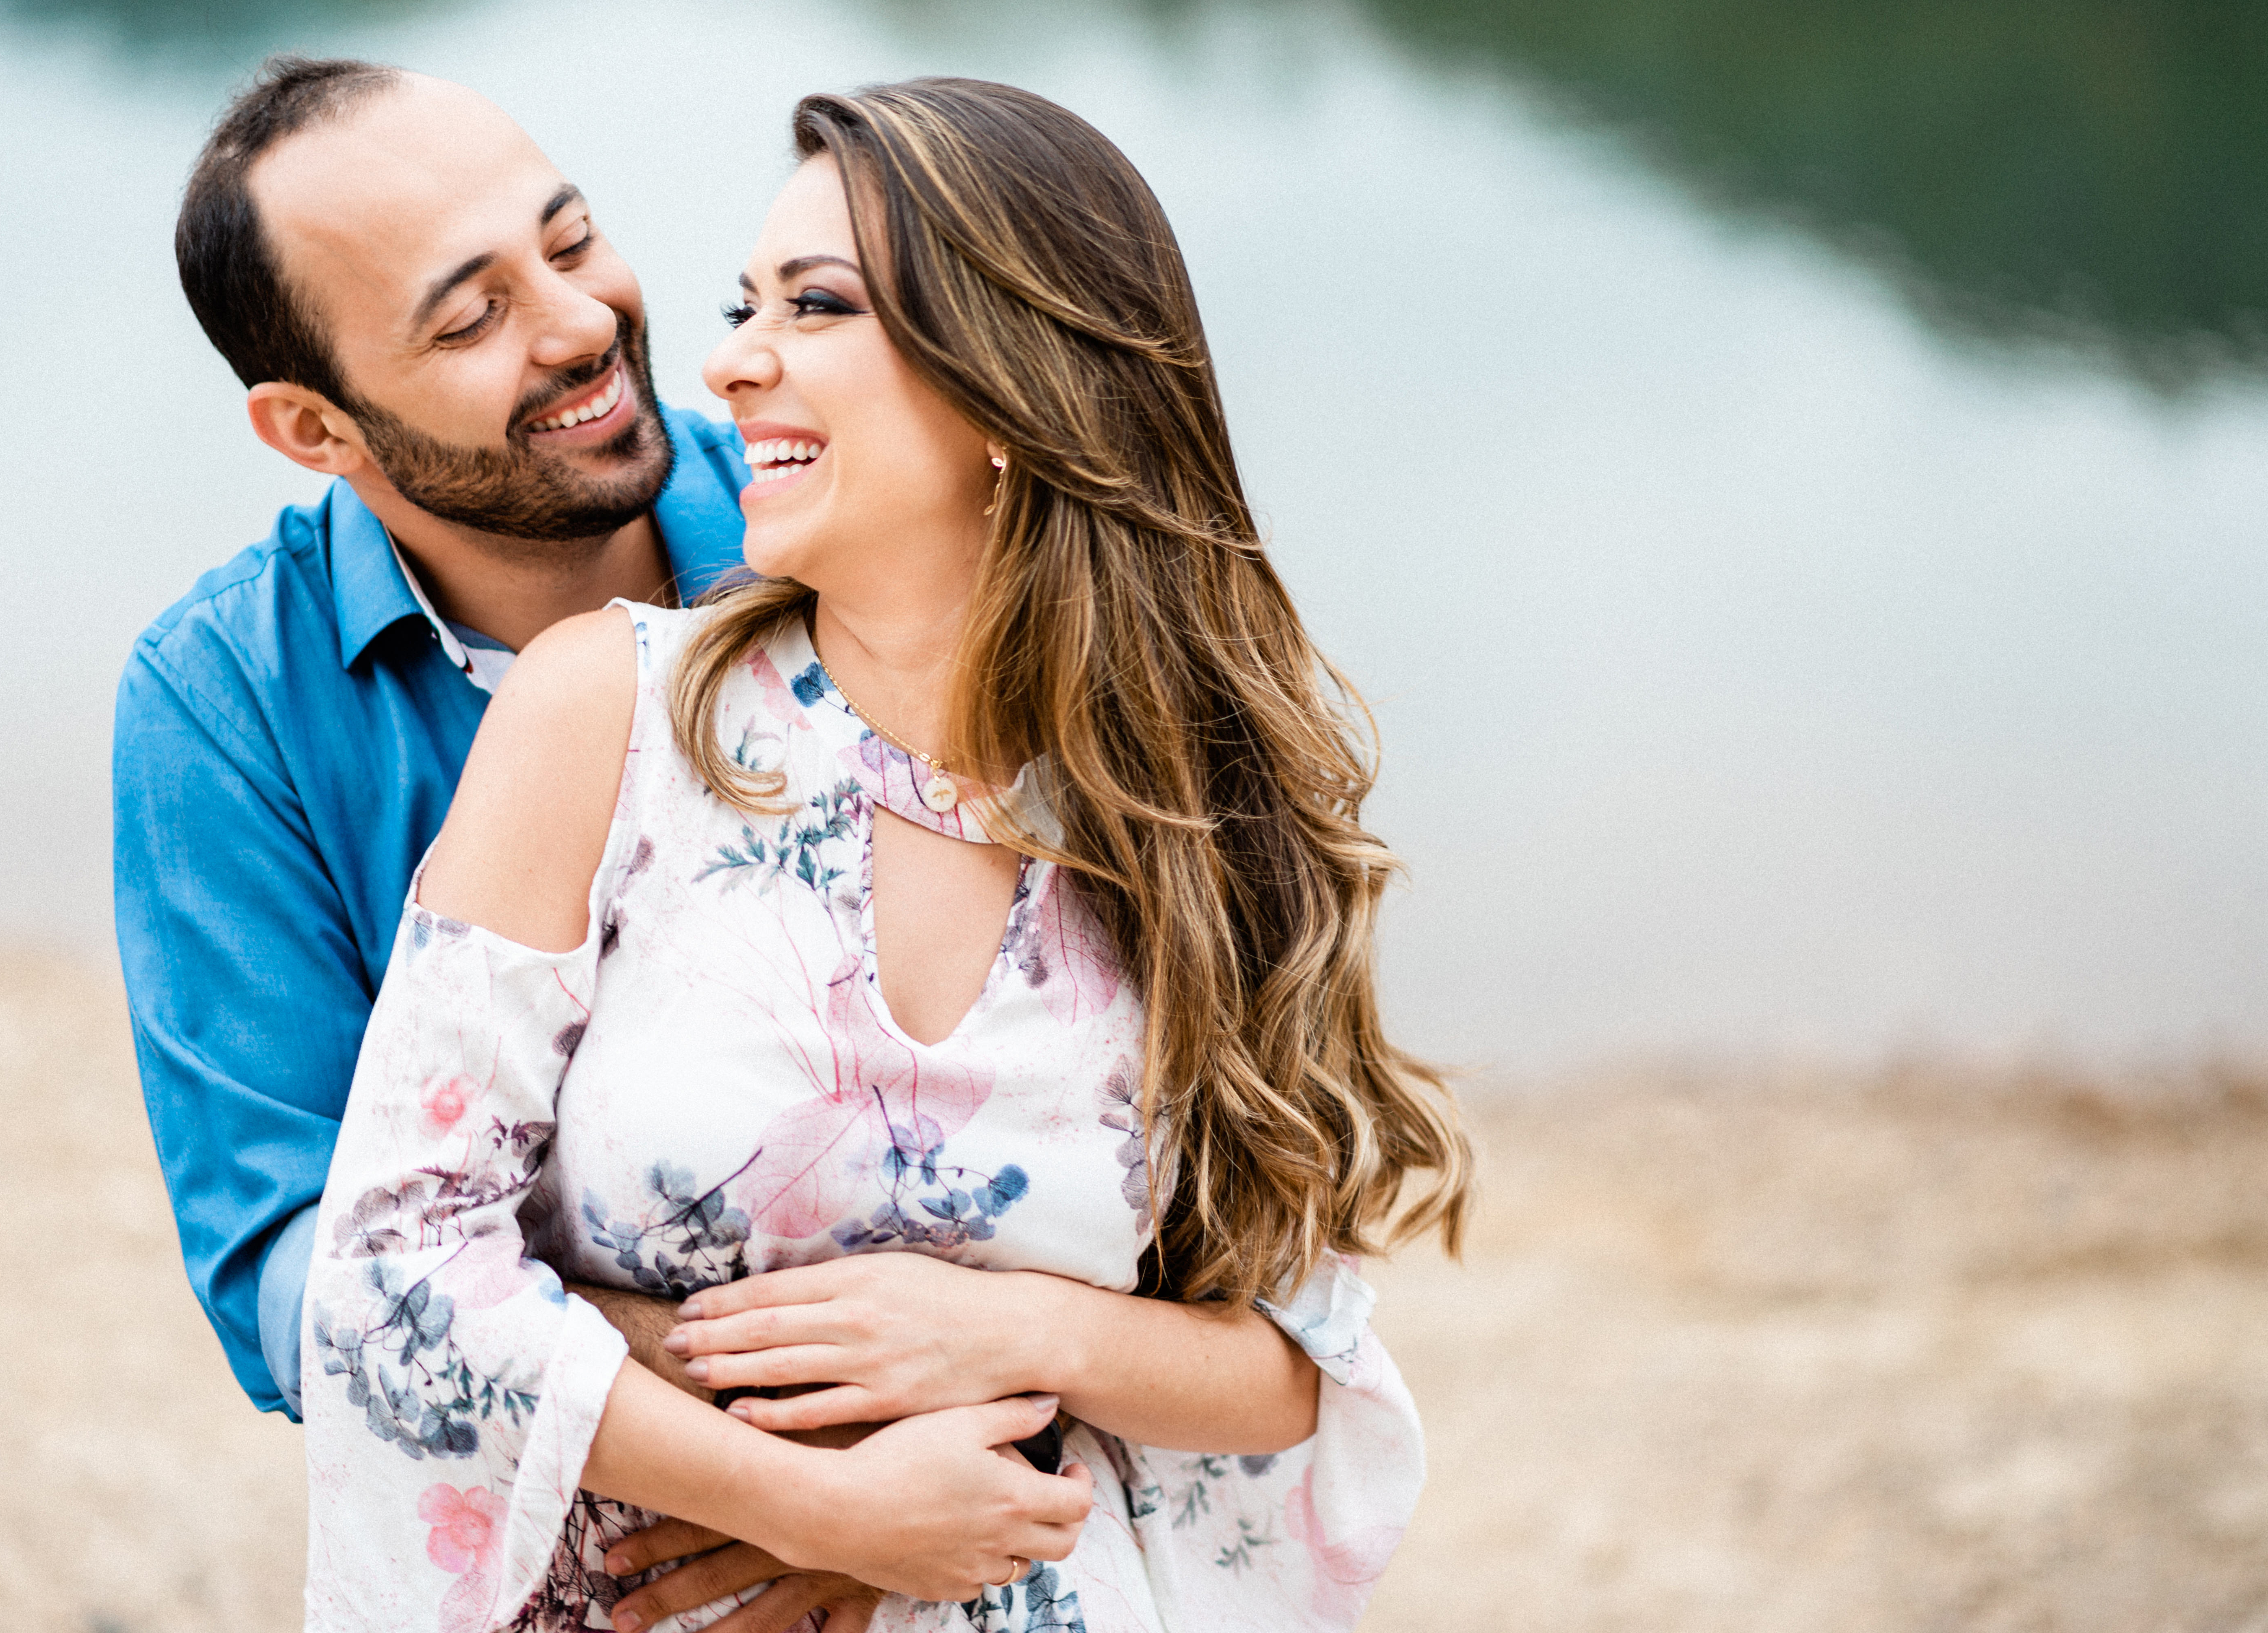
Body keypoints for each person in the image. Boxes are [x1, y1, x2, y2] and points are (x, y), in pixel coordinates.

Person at [303, 77, 1472, 1633]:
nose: (731, 362)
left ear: (1009, 384)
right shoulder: (614, 716)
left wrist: (1009, 1336)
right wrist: (825, 1510)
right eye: (744, 302)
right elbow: (392, 1269)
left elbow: (1293, 1363)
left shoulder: (1192, 815)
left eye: (817, 304)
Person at [113, 56, 975, 1632]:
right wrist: (784, 1448)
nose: (578, 325)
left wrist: (922, 1458)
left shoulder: (842, 527)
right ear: (312, 424)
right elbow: (291, 1269)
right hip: (564, 1543)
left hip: (965, 1491)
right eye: (469, 317)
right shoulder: (222, 700)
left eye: (570, 243)